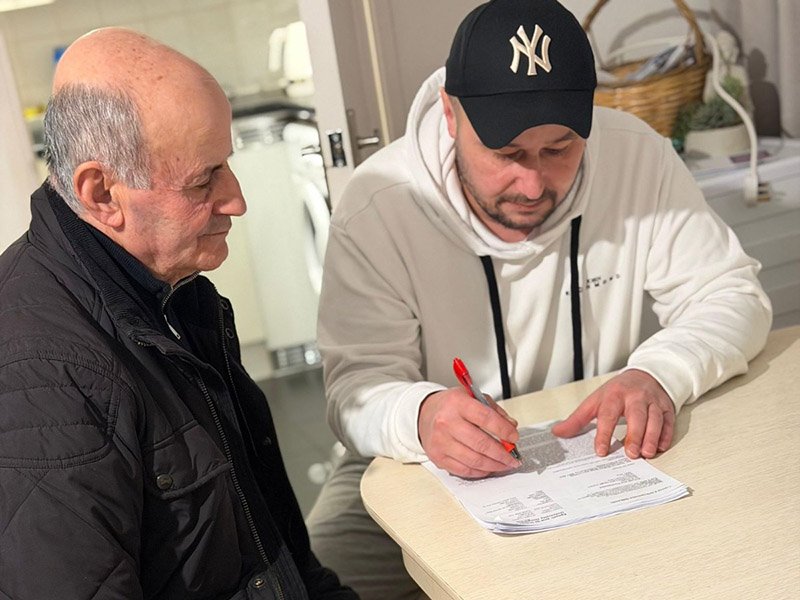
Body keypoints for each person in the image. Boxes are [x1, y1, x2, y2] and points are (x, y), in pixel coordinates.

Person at [305, 0, 772, 598]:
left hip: (599, 444)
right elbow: (355, 389)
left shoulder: (639, 156)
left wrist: (660, 372)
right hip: (412, 459)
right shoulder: (377, 204)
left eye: (559, 149)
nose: (532, 184)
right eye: (506, 154)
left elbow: (730, 293)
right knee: (318, 580)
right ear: (449, 114)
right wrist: (420, 417)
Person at [0, 28, 357, 600]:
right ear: (102, 194)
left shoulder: (172, 295)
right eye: (203, 179)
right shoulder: (42, 374)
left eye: (226, 164)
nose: (236, 199)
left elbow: (268, 539)